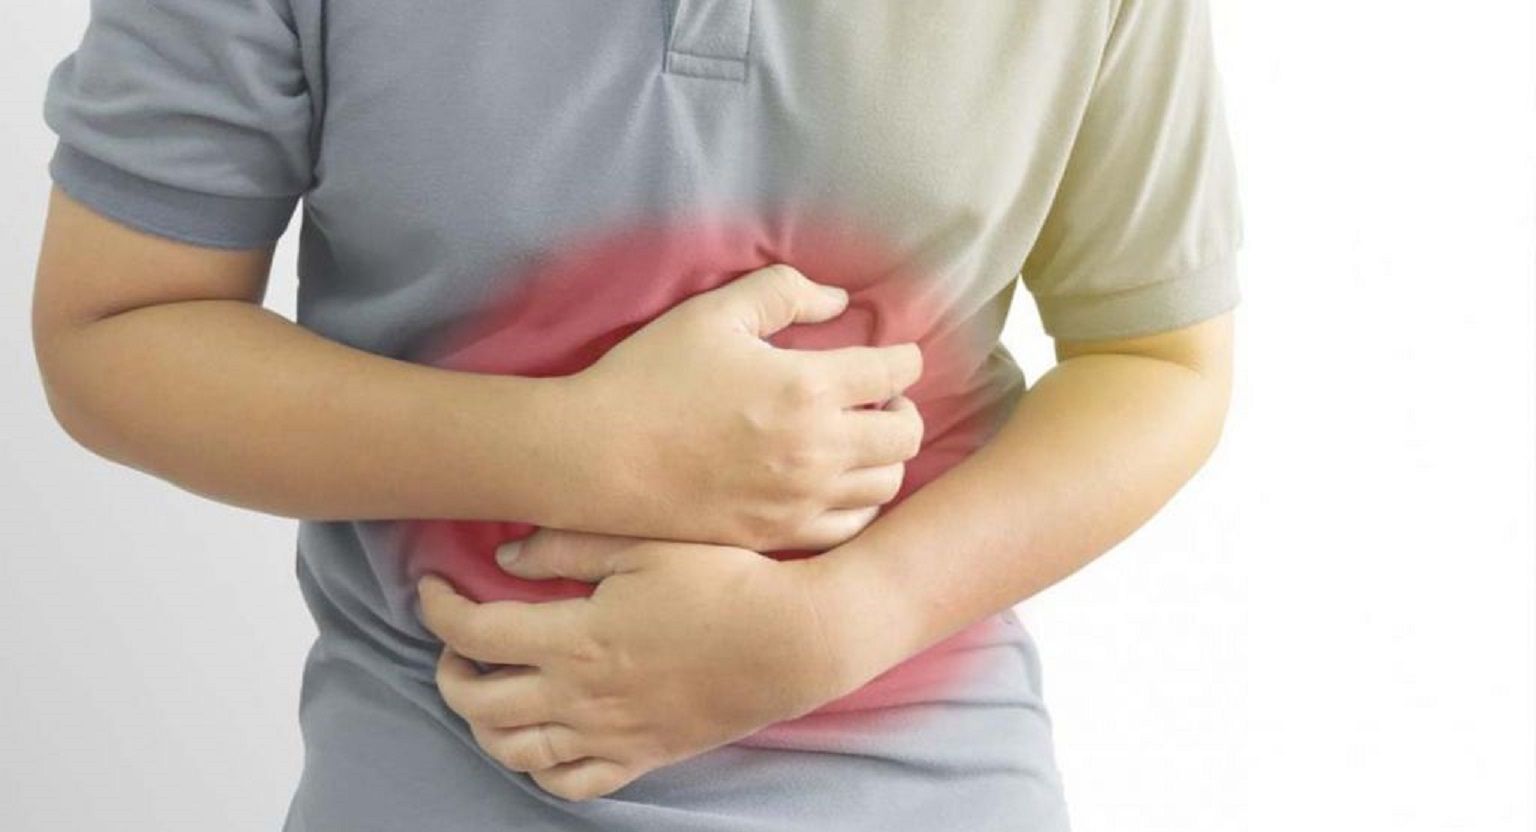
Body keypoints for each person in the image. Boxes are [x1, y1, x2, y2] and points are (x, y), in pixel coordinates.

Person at [30, 1, 1242, 829]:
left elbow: (1158, 360)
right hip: (428, 781)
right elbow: (115, 326)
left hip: (932, 779)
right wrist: (579, 451)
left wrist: (842, 622)